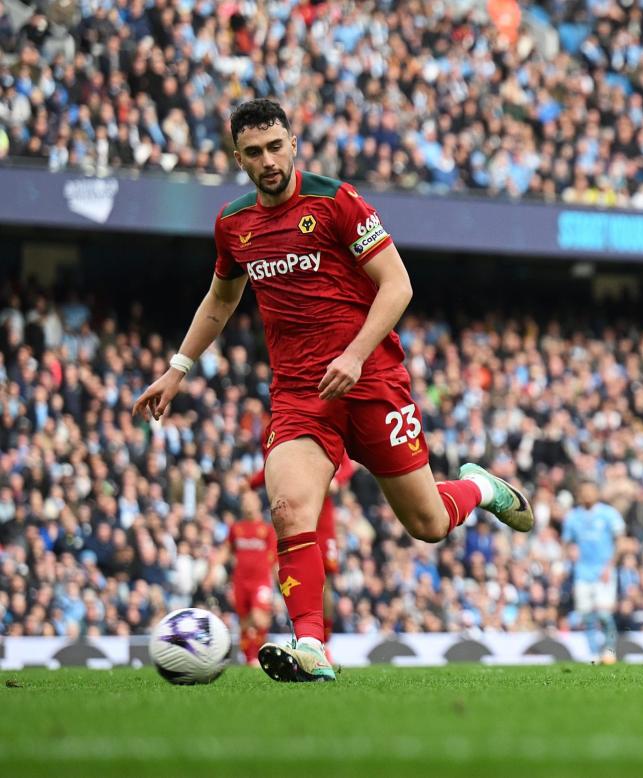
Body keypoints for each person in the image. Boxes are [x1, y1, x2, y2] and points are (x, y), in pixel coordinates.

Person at [132, 99, 534, 683]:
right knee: (290, 509)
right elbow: (221, 298)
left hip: (372, 382)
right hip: (299, 394)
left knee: (426, 524)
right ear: (237, 157)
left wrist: (354, 352)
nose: (267, 161)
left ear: (293, 143)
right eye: (253, 152)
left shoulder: (337, 202)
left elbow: (397, 285)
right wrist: (178, 368)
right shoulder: (234, 223)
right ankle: (312, 647)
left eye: (275, 147)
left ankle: (479, 486)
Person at [248, 458, 352, 655]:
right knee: (295, 576)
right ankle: (303, 637)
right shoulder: (282, 433)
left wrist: (337, 480)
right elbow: (272, 463)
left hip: (323, 521)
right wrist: (250, 483)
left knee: (326, 583)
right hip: (295, 516)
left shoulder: (330, 431)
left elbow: (346, 464)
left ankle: (323, 643)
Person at [562, 481, 625, 664]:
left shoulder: (608, 513)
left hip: (603, 571)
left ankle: (610, 650)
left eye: (591, 491)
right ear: (579, 495)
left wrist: (610, 565)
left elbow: (620, 540)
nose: (587, 495)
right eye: (584, 492)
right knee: (587, 616)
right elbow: (566, 543)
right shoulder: (573, 517)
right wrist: (570, 550)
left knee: (604, 615)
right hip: (582, 573)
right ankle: (594, 654)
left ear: (597, 493)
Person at [224, 489, 277, 666]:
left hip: (260, 581)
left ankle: (261, 655)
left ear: (258, 503)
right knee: (245, 620)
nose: (247, 504)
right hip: (240, 581)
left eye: (250, 500)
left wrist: (280, 584)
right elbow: (227, 550)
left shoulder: (267, 530)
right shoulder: (236, 529)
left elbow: (274, 559)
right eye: (244, 500)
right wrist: (212, 568)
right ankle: (249, 659)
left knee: (259, 616)